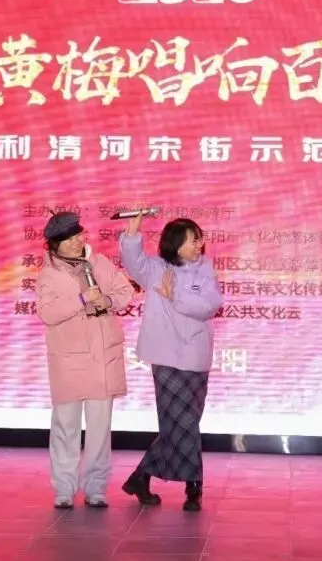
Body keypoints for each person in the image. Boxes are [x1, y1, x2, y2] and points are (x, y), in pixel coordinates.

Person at [118, 210, 223, 512]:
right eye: (192, 240)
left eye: (199, 239)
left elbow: (210, 305)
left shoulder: (205, 269)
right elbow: (134, 262)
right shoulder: (156, 269)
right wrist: (132, 235)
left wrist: (175, 295)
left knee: (182, 422)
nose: (198, 245)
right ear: (175, 243)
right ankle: (194, 485)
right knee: (184, 421)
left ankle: (141, 477)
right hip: (165, 355)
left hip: (196, 355)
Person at [33, 211, 135, 509]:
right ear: (55, 244)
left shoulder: (99, 262)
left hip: (102, 356)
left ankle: (96, 488)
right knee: (66, 426)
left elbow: (125, 290)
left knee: (100, 429)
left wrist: (108, 300)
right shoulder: (49, 274)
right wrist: (81, 299)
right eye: (69, 239)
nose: (77, 242)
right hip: (69, 359)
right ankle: (64, 488)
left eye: (78, 235)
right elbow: (47, 313)